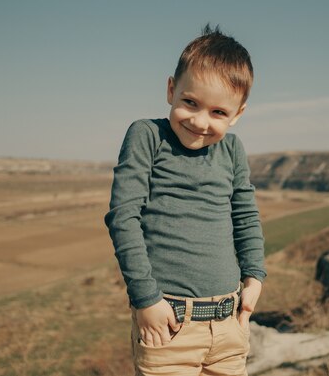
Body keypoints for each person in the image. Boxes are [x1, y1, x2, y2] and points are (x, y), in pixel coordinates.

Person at [105, 24, 267, 376]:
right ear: (170, 90)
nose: (199, 121)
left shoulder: (233, 150)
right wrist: (146, 299)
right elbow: (123, 217)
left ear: (237, 114)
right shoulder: (147, 136)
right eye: (190, 102)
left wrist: (254, 277)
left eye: (218, 113)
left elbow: (246, 216)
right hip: (168, 326)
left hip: (229, 327)